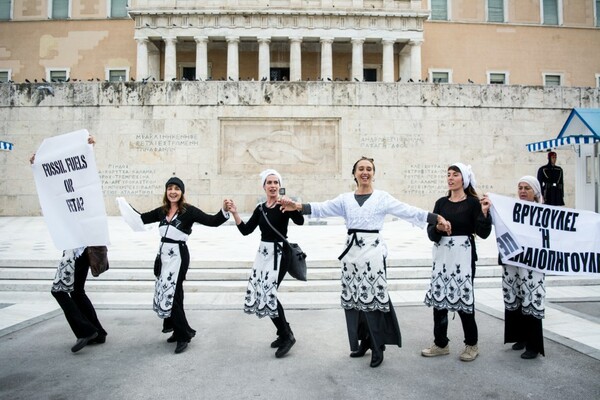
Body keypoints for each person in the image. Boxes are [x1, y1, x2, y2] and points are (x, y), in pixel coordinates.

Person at [280, 157, 449, 368]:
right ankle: (364, 341)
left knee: (373, 302)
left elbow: (407, 210)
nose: (365, 172)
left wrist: (435, 218)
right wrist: (297, 206)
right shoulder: (345, 199)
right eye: (361, 169)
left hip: (373, 255)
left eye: (369, 169)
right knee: (355, 302)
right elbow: (322, 208)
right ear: (354, 173)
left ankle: (378, 346)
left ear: (374, 173)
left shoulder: (382, 197)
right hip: (351, 257)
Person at [136, 177, 231, 354]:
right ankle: (180, 330)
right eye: (170, 188)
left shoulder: (189, 211)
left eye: (177, 189)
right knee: (175, 293)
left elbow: (212, 221)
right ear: (166, 191)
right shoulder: (162, 211)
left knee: (173, 292)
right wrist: (124, 206)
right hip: (164, 257)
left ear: (182, 192)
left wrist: (224, 211)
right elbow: (141, 218)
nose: (173, 191)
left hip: (179, 256)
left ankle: (183, 335)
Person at [30, 135, 107, 353]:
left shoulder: (81, 190)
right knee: (77, 291)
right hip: (74, 246)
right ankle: (98, 332)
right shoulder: (62, 191)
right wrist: (39, 165)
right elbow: (52, 184)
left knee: (59, 290)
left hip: (78, 247)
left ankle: (85, 330)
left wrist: (87, 150)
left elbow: (85, 175)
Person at [228, 169, 304, 358]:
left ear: (280, 186)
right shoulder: (260, 208)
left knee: (268, 293)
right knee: (263, 293)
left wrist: (293, 206)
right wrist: (235, 213)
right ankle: (283, 331)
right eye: (269, 182)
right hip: (263, 254)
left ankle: (287, 336)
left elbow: (300, 221)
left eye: (276, 182)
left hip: (280, 254)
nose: (272, 186)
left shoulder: (284, 205)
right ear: (264, 186)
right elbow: (246, 230)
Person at [421, 163, 492, 362]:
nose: (450, 178)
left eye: (455, 175)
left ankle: (471, 344)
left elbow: (484, 233)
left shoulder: (473, 203)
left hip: (464, 258)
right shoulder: (441, 203)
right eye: (448, 175)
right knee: (439, 302)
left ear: (464, 179)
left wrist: (485, 213)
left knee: (464, 301)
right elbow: (430, 233)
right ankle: (441, 343)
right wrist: (439, 230)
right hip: (443, 257)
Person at [494, 176, 546, 359]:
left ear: (535, 192)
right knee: (515, 296)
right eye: (520, 187)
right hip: (513, 261)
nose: (523, 191)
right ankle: (521, 337)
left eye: (527, 188)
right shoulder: (511, 210)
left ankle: (533, 345)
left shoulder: (543, 212)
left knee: (531, 298)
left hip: (533, 263)